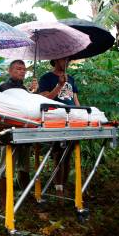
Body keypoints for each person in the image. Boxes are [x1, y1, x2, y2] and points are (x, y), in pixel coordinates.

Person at [0, 60, 38, 208]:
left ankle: (26, 195)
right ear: (10, 71)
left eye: (24, 69)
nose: (22, 72)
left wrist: (33, 94)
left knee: (24, 167)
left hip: (24, 133)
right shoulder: (1, 88)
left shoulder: (25, 90)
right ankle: (4, 200)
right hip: (7, 133)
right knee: (5, 168)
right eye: (18, 69)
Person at [39, 57, 80, 201]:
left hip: (72, 119)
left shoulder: (72, 79)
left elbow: (75, 100)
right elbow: (45, 99)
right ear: (56, 60)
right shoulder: (46, 78)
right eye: (64, 60)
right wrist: (59, 85)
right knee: (58, 153)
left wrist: (81, 114)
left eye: (69, 60)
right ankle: (58, 188)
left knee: (68, 154)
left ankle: (64, 185)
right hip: (56, 119)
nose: (67, 63)